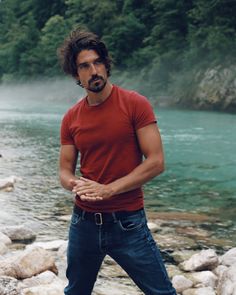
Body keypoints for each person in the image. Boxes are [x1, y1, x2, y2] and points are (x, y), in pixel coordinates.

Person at [58, 28, 176, 295]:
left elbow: (156, 161)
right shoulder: (71, 118)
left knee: (163, 293)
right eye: (84, 66)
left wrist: (108, 189)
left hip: (128, 222)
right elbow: (64, 171)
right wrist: (76, 184)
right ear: (76, 74)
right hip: (83, 223)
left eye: (98, 62)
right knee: (76, 292)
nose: (93, 70)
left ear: (106, 64)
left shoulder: (135, 104)